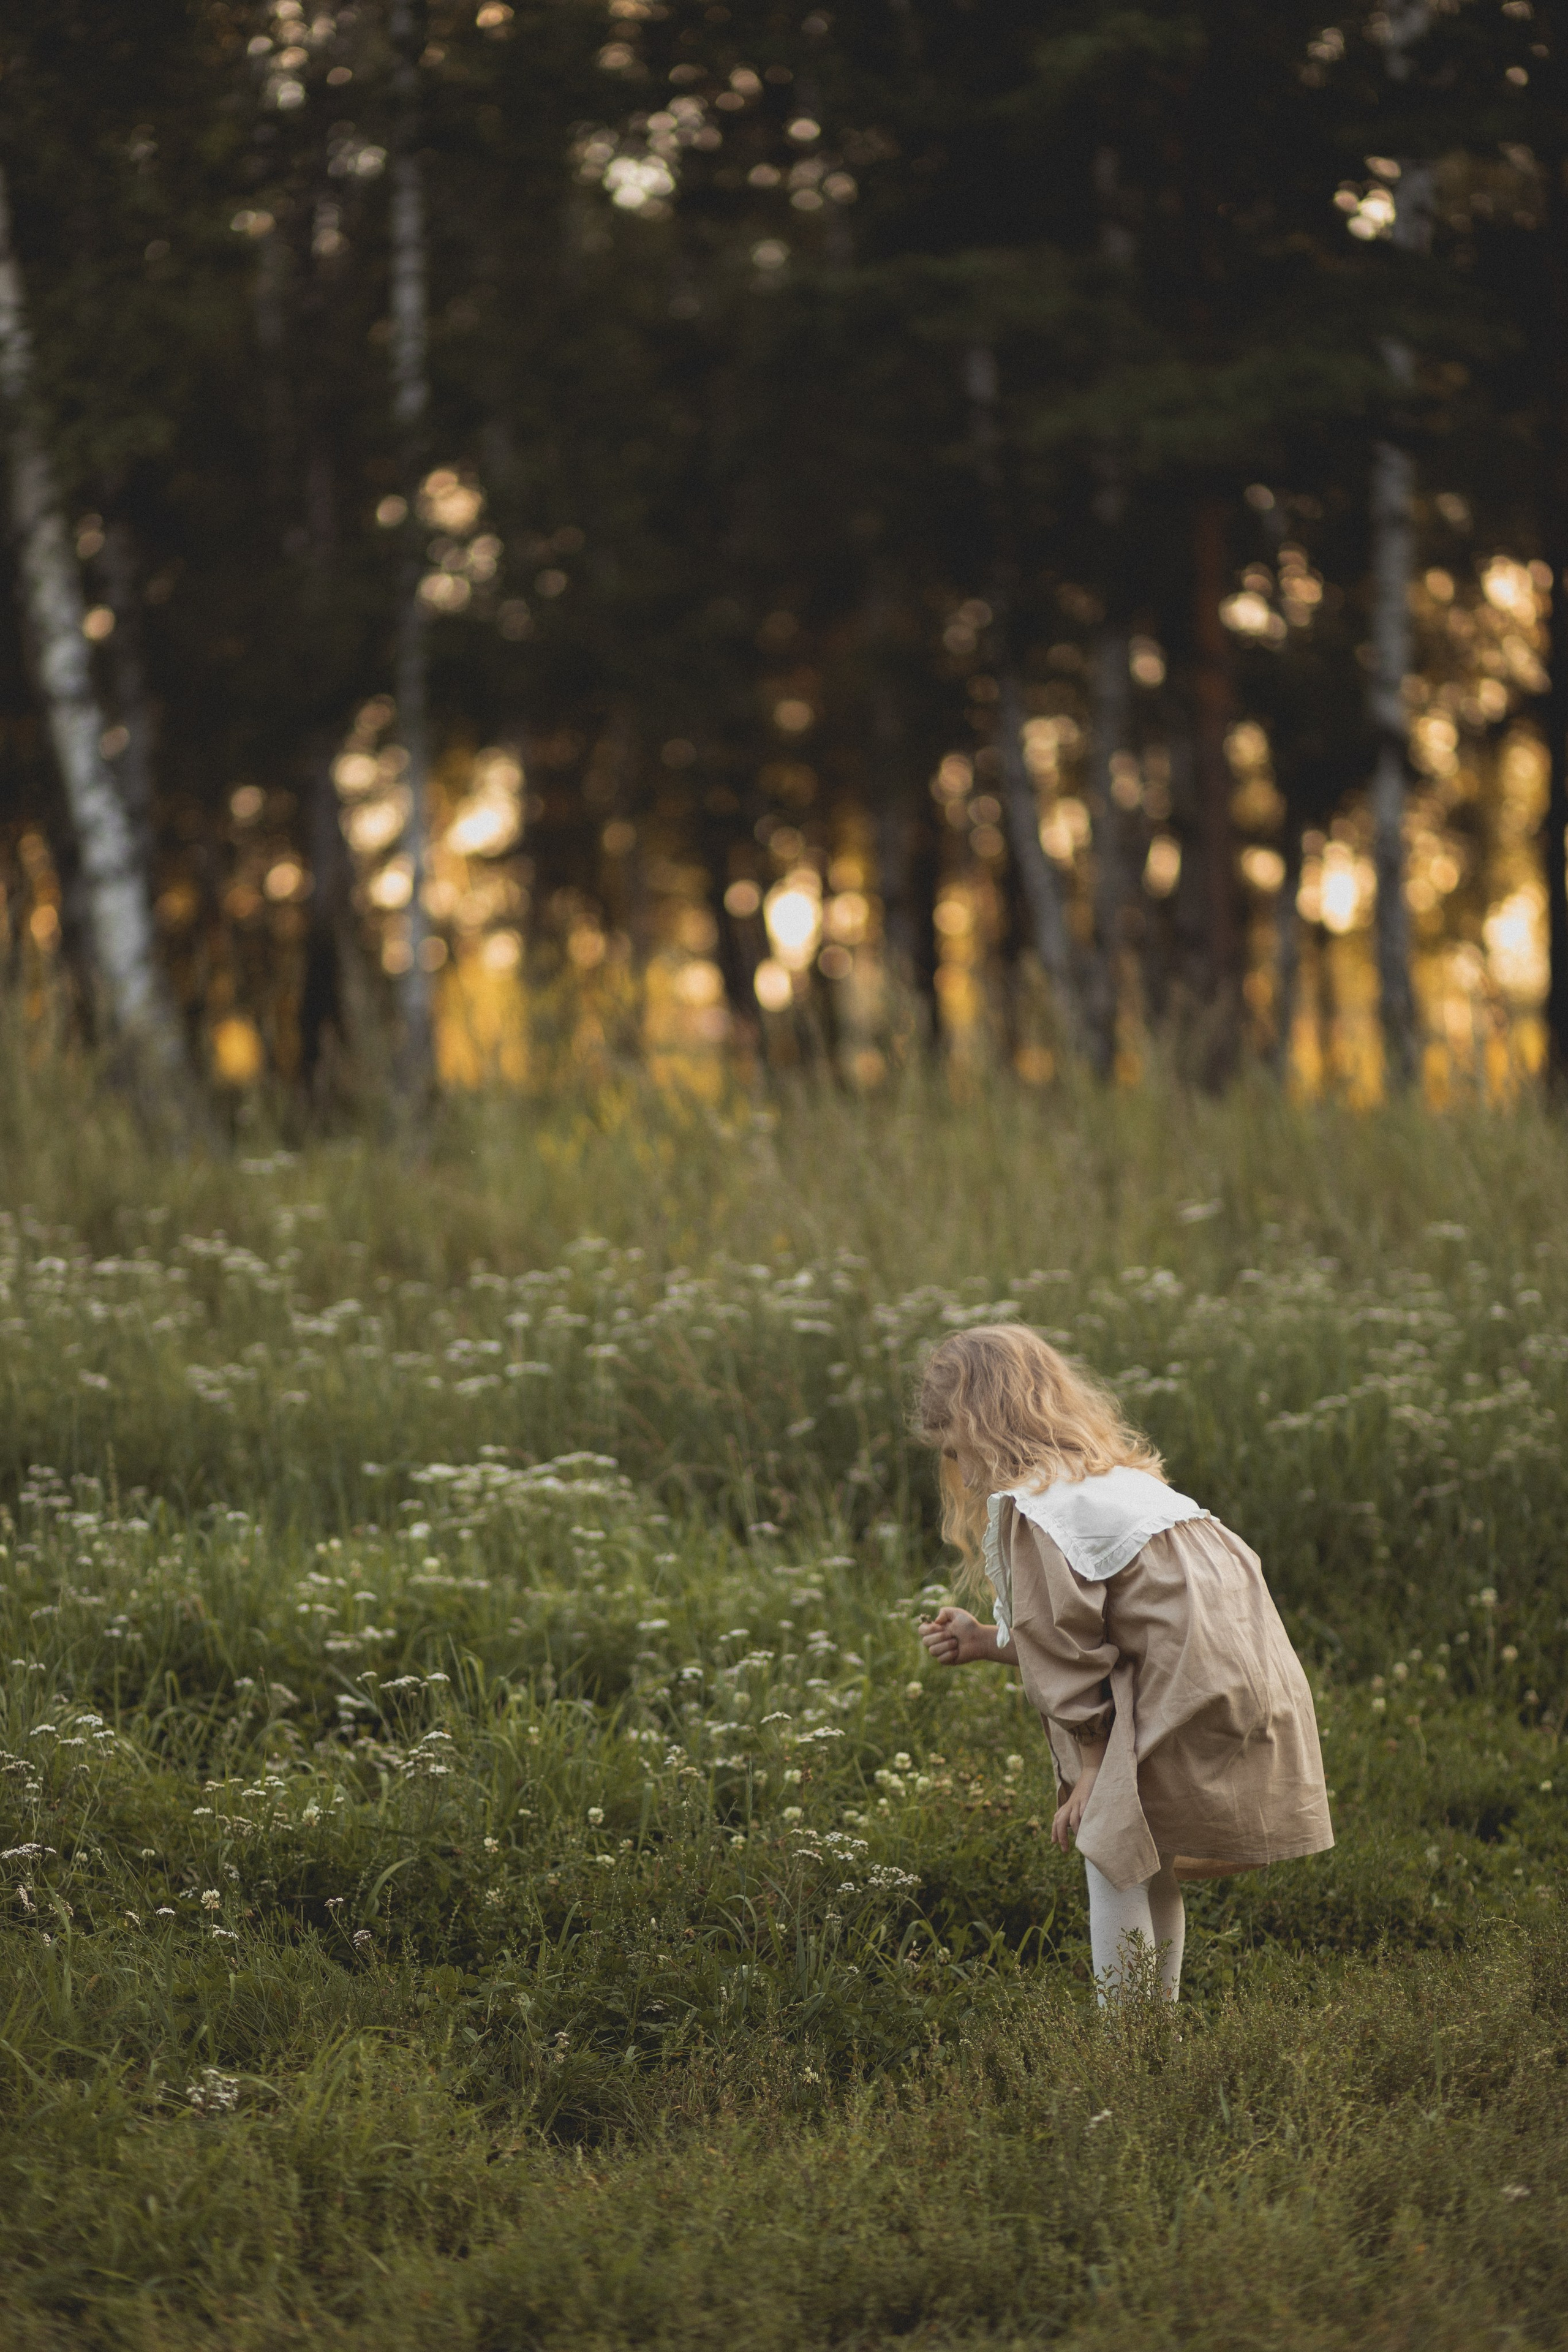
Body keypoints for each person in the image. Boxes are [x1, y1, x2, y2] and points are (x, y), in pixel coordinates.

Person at [914, 1324, 1332, 2002]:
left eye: (955, 1449)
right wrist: (987, 1642)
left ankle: (1124, 2050)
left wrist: (1089, 1769)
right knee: (1146, 1851)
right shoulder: (1117, 1485)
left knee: (1108, 1852)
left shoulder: (1035, 1507)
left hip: (1182, 1678)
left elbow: (1070, 1654)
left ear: (979, 1429)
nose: (959, 1470)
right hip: (1237, 1666)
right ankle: (1151, 2034)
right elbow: (1115, 1626)